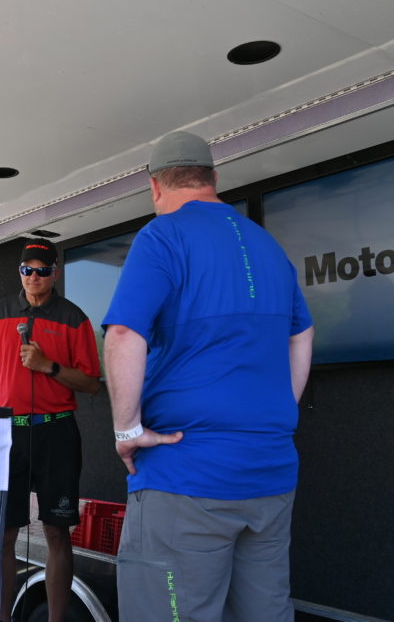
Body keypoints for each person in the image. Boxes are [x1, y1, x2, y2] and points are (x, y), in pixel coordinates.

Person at [102, 131, 315, 621]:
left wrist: (127, 430)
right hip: (269, 473)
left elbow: (124, 335)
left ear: (155, 186)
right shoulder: (267, 245)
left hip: (186, 472)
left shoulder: (162, 236)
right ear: (213, 179)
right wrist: (276, 413)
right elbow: (302, 334)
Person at [0, 239, 101, 622]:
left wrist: (49, 366)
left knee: (56, 532)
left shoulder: (74, 317)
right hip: (9, 435)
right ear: (19, 272)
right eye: (27, 270)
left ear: (55, 273)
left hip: (56, 431)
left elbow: (91, 384)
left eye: (43, 270)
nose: (34, 277)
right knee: (4, 534)